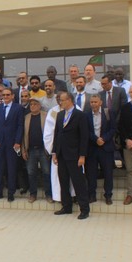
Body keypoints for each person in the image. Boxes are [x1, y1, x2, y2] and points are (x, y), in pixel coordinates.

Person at [52, 91, 90, 220]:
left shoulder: (80, 115)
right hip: (61, 154)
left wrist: (82, 155)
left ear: (69, 100)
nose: (60, 102)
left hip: (74, 155)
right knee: (63, 182)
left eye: (62, 100)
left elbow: (84, 137)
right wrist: (54, 153)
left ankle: (84, 209)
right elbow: (56, 135)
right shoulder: (60, 115)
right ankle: (66, 206)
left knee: (78, 182)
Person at [0, 87, 24, 202]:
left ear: (12, 96)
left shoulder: (18, 108)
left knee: (11, 167)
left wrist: (17, 141)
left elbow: (20, 126)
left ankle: (11, 192)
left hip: (12, 143)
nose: (5, 97)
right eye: (3, 95)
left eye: (7, 95)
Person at [85, 94, 116, 205]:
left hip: (106, 147)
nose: (93, 104)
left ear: (100, 102)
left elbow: (113, 129)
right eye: (92, 102)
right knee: (91, 173)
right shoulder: (86, 114)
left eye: (95, 102)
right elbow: (86, 131)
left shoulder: (108, 113)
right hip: (92, 148)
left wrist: (103, 138)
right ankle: (92, 195)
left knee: (108, 172)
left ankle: (108, 195)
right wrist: (95, 139)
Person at [21, 98, 52, 203]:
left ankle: (48, 194)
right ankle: (33, 194)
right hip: (31, 150)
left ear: (40, 105)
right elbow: (23, 136)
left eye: (35, 104)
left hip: (44, 150)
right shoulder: (26, 117)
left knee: (46, 172)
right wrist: (24, 150)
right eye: (31, 104)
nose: (33, 106)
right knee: (31, 173)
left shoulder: (46, 115)